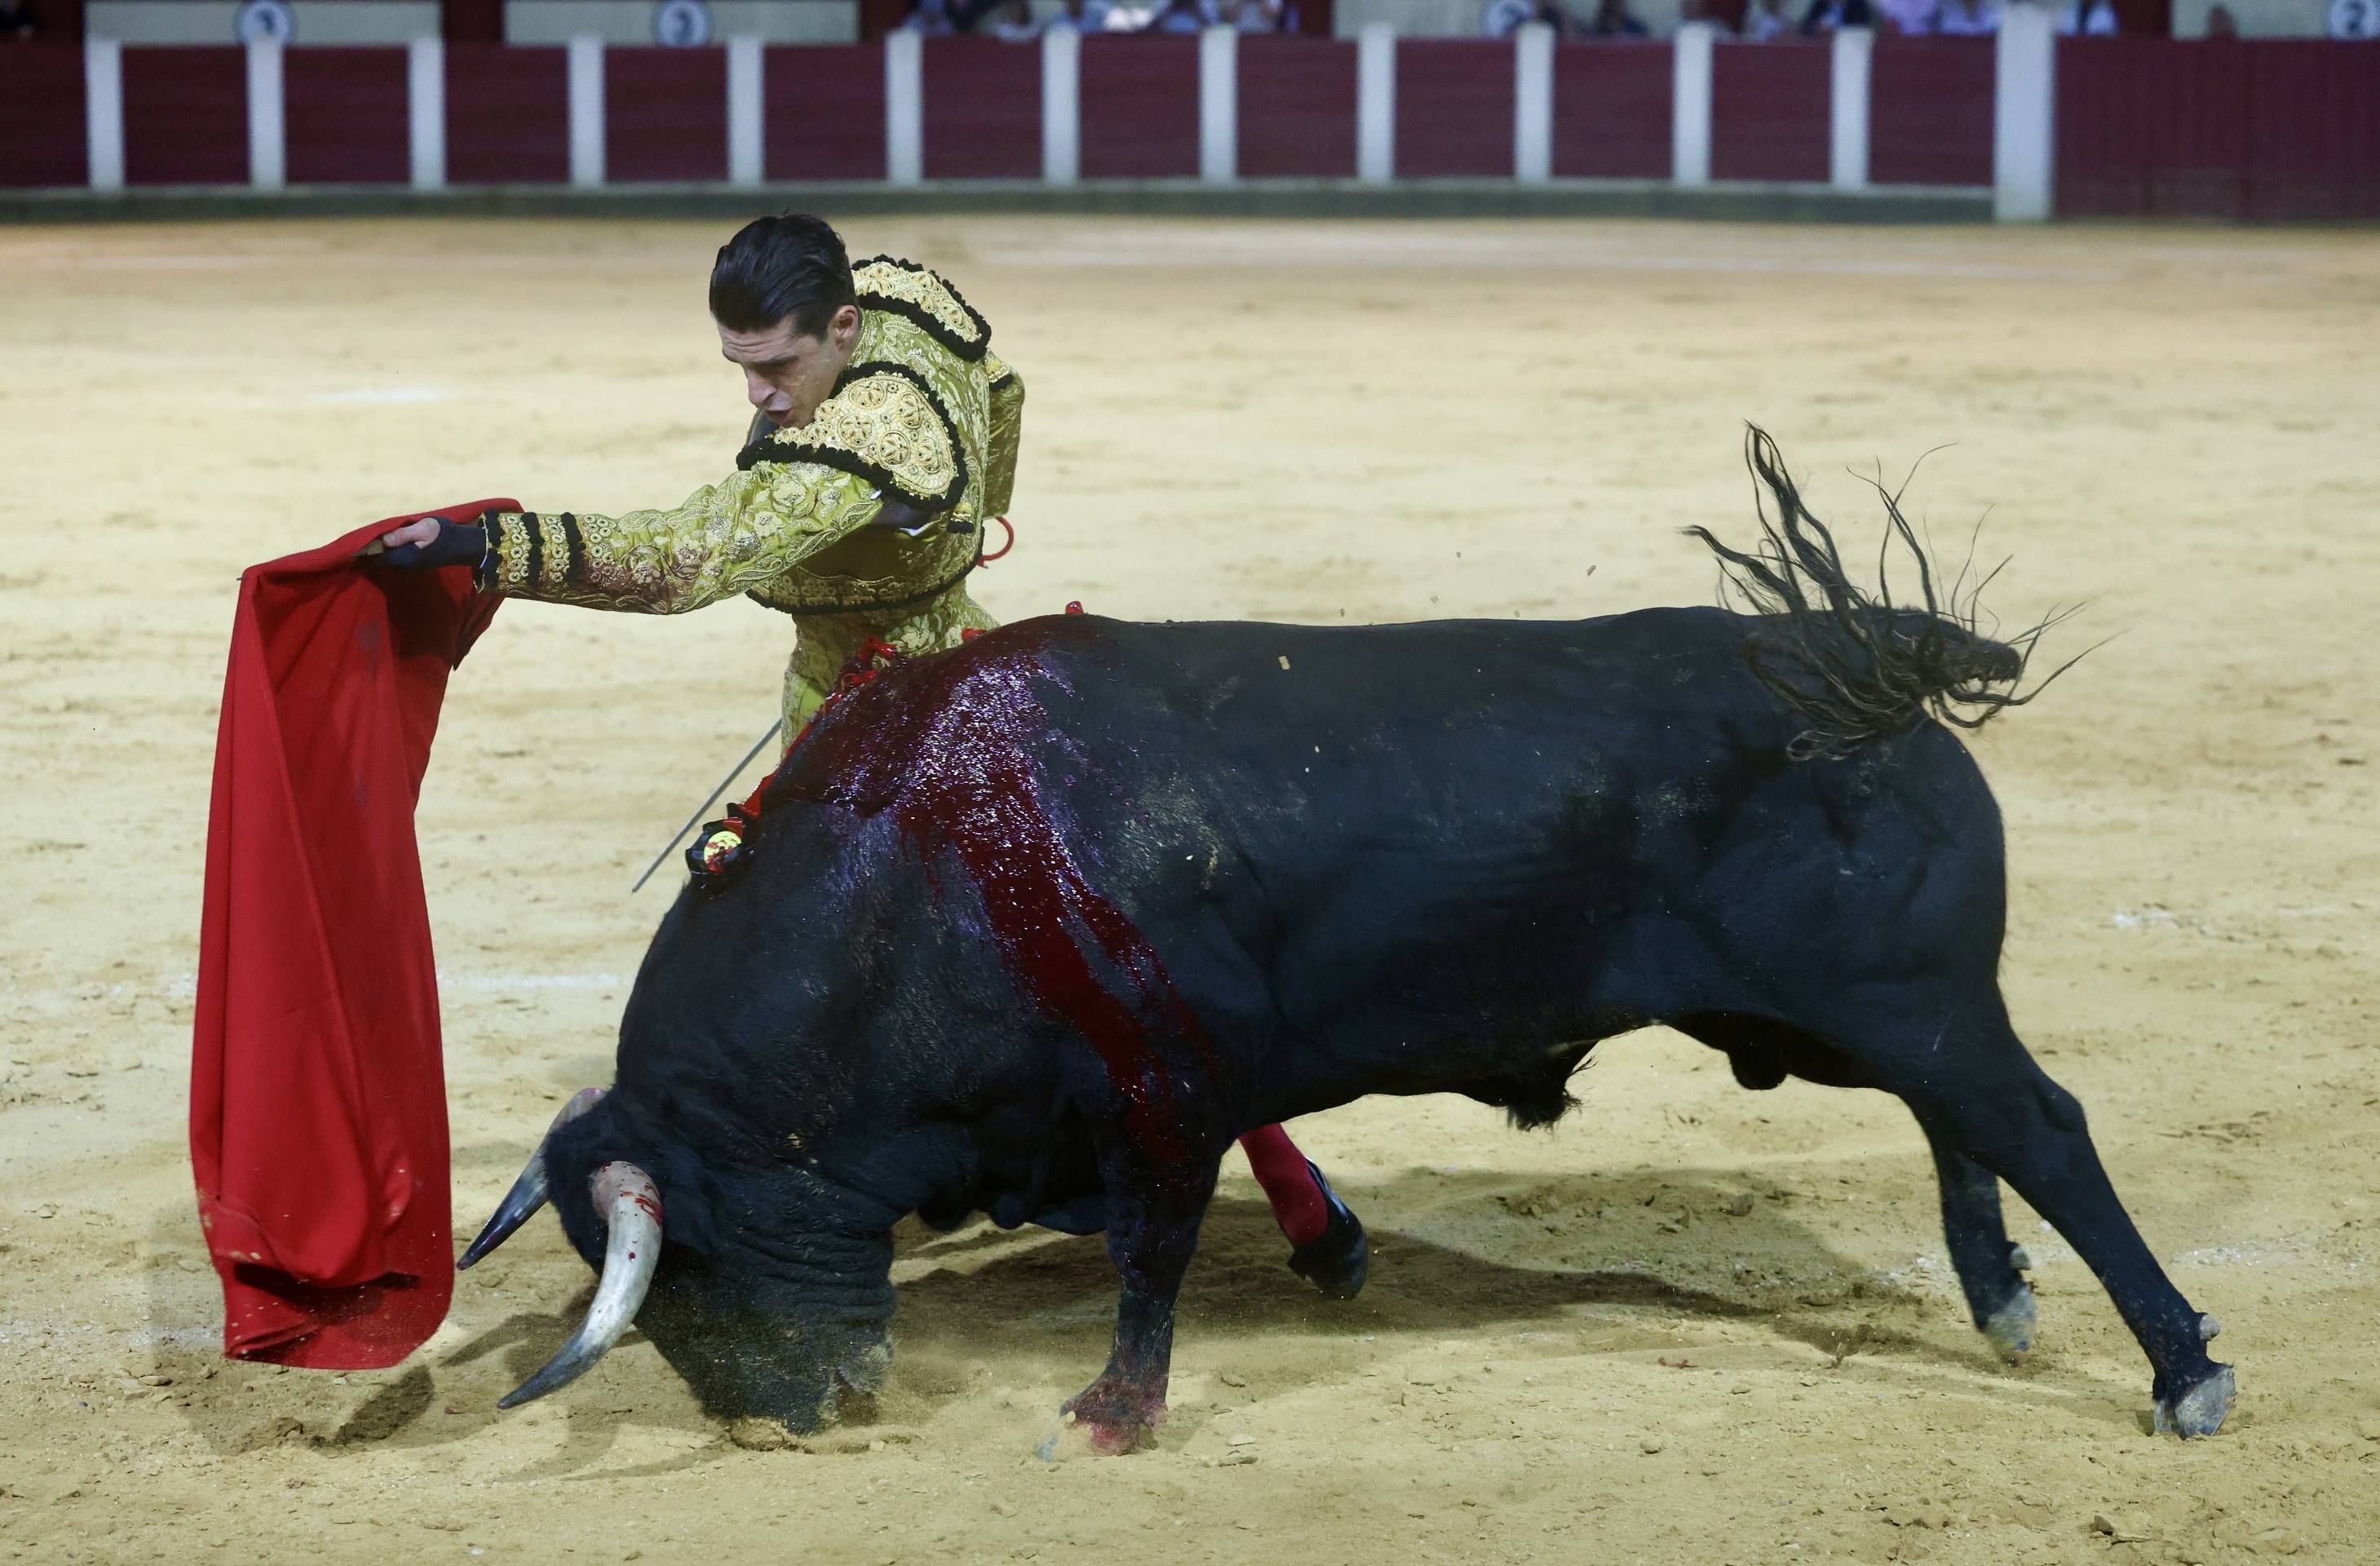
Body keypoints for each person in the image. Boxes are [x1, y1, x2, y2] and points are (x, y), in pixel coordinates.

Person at [368, 214, 1369, 1297]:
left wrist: (493, 550)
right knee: (1103, 942)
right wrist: (957, 529)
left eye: (779, 366)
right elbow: (1004, 390)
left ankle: (844, 1202)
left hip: (894, 718)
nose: (757, 395)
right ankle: (1300, 1203)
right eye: (738, 368)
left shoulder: (870, 439)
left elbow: (686, 559)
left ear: (841, 327)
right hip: (953, 668)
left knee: (916, 961)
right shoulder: (899, 305)